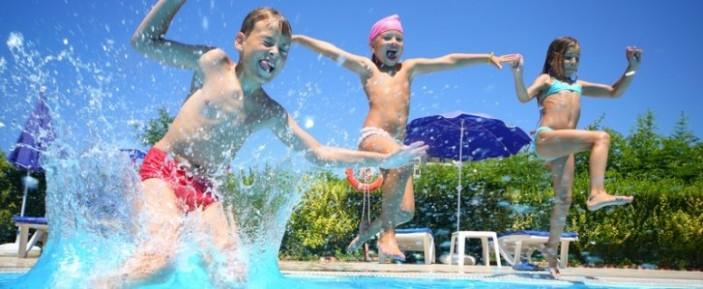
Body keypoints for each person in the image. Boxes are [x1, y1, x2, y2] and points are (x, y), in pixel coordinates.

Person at [94, 1, 427, 288]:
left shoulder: (269, 111)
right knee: (159, 262)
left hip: (207, 191)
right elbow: (144, 42)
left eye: (283, 50)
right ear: (241, 41)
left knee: (233, 275)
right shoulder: (212, 64)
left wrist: (383, 160)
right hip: (164, 171)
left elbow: (318, 153)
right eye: (267, 42)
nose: (275, 53)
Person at [292, 14, 517, 261]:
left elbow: (449, 61)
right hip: (373, 136)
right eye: (387, 37)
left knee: (405, 212)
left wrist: (485, 58)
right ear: (373, 45)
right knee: (404, 160)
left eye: (399, 38)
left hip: (396, 145)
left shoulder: (408, 69)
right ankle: (387, 235)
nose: (394, 42)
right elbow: (332, 51)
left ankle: (368, 230)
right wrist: (299, 39)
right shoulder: (368, 69)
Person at [508, 36, 642, 277]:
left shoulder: (579, 85)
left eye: (577, 58)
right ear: (554, 58)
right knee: (601, 138)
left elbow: (614, 92)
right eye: (568, 57)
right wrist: (518, 74)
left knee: (564, 200)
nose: (573, 62)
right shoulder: (546, 80)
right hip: (547, 138)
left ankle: (550, 250)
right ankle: (597, 193)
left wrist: (631, 69)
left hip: (564, 147)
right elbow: (523, 96)